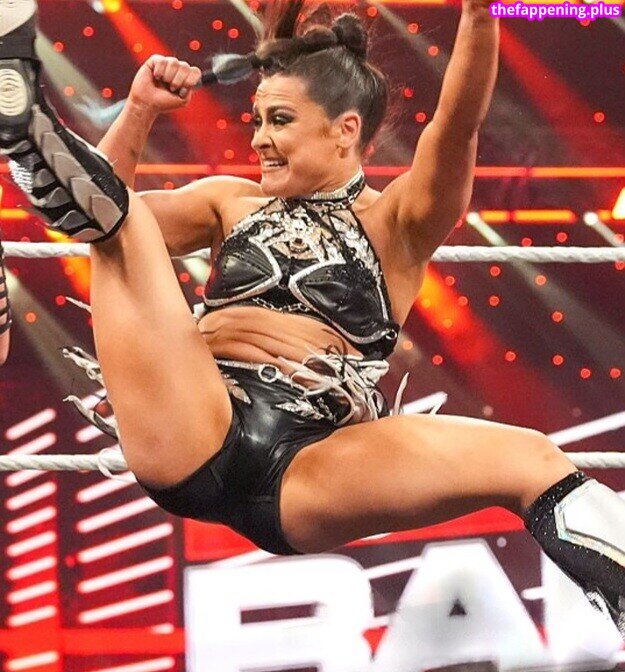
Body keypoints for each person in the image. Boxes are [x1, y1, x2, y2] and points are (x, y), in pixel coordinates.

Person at [1, 0, 624, 636]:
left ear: (344, 130)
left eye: (278, 120)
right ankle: (24, 131)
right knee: (124, 224)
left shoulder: (398, 222)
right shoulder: (228, 202)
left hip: (310, 469)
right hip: (196, 424)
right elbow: (91, 218)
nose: (257, 139)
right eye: (256, 120)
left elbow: (457, 124)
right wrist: (138, 112)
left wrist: (481, 15)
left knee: (533, 458)